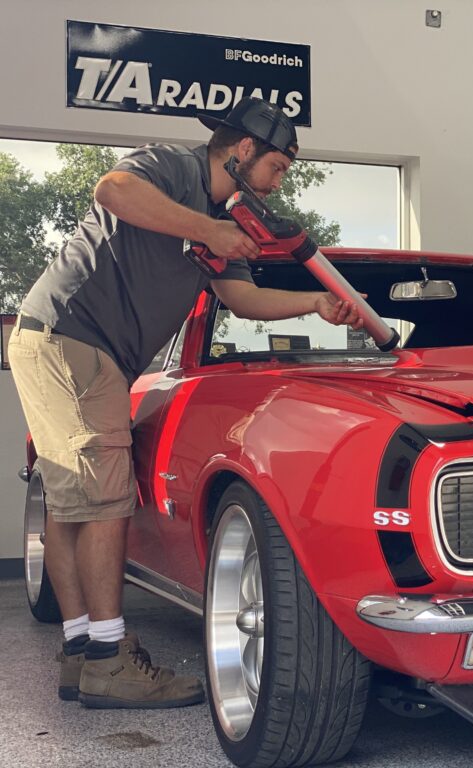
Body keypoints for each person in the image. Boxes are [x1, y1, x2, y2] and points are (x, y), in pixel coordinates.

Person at [7, 97, 362, 709]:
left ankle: (81, 653)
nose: (280, 182)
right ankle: (110, 657)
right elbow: (112, 189)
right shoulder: (178, 170)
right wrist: (207, 227)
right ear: (243, 150)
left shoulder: (221, 221)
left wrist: (315, 305)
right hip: (73, 336)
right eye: (277, 167)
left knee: (73, 504)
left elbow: (242, 301)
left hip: (76, 346)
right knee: (105, 498)